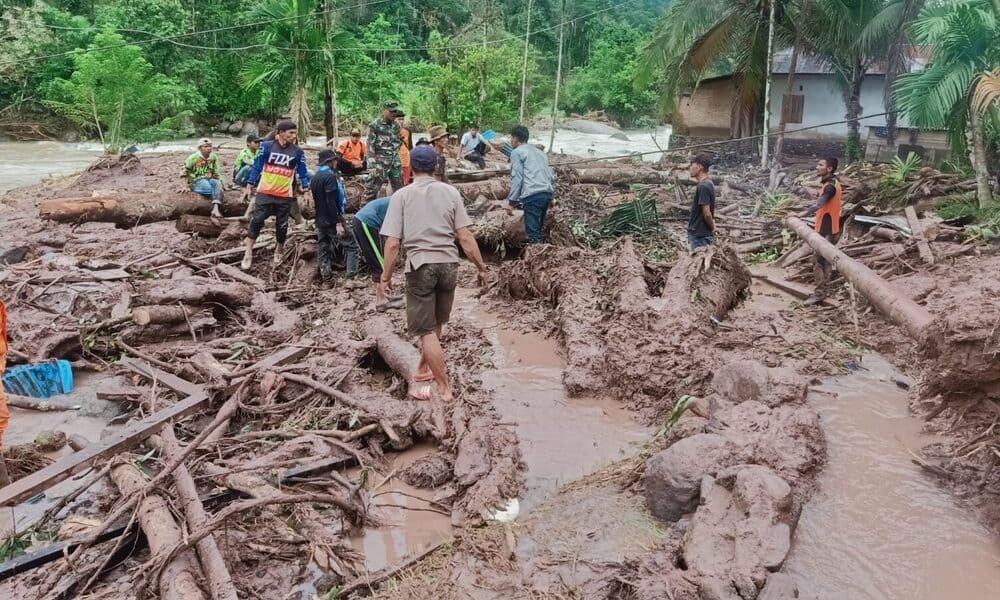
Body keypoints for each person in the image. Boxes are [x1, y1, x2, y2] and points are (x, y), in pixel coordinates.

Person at [379, 146, 489, 401]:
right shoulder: (451, 192)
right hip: (449, 265)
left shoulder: (401, 196)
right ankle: (423, 367)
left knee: (425, 330)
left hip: (421, 266)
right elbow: (465, 236)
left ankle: (444, 388)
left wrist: (385, 277)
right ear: (436, 167)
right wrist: (481, 268)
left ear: (411, 169)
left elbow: (393, 242)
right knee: (436, 323)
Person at [241, 120, 310, 270]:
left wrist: (305, 190)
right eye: (291, 133)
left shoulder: (297, 152)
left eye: (294, 132)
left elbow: (303, 172)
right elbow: (257, 166)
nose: (294, 135)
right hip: (265, 191)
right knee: (257, 220)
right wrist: (249, 185)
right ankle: (248, 252)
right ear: (280, 133)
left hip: (284, 194)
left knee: (282, 225)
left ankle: (279, 250)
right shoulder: (266, 146)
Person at [801, 157, 843, 304]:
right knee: (825, 260)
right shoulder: (830, 183)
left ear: (829, 169)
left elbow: (820, 203)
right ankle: (824, 290)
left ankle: (819, 293)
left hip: (827, 230)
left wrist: (801, 215)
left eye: (821, 165)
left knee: (818, 260)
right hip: (828, 228)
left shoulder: (830, 186)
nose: (817, 167)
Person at [353, 196, 404, 311]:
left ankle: (386, 295)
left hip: (370, 222)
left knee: (382, 259)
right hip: (366, 221)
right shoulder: (405, 202)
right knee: (377, 261)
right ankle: (381, 301)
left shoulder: (403, 199)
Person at [505, 125, 554, 244]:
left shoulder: (517, 152)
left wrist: (512, 202)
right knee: (538, 231)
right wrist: (552, 197)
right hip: (546, 194)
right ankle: (542, 257)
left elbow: (517, 178)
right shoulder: (540, 153)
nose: (510, 140)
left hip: (532, 195)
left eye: (511, 138)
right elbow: (549, 174)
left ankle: (535, 259)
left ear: (516, 138)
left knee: (533, 235)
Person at [311, 149, 353, 285]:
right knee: (352, 245)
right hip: (332, 218)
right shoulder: (329, 177)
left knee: (324, 246)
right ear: (330, 162)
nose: (336, 163)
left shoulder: (316, 177)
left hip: (320, 218)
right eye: (335, 160)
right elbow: (331, 201)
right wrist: (338, 223)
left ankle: (326, 277)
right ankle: (352, 278)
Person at [365, 102, 404, 200]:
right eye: (391, 111)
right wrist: (372, 165)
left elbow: (398, 141)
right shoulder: (374, 125)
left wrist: (395, 156)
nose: (393, 114)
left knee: (400, 191)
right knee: (371, 191)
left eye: (395, 111)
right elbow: (370, 145)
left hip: (395, 163)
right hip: (380, 164)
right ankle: (365, 214)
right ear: (384, 111)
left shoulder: (396, 125)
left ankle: (399, 213)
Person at [183, 138, 224, 217]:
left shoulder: (213, 157)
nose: (208, 148)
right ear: (199, 148)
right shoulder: (192, 158)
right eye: (205, 146)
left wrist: (221, 183)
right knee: (212, 189)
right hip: (196, 181)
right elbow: (184, 171)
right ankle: (216, 204)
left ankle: (215, 209)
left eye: (210, 146)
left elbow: (217, 171)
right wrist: (185, 186)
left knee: (218, 184)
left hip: (210, 179)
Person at [687, 153, 717, 251]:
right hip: (702, 233)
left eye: (692, 165)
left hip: (699, 234)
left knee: (698, 261)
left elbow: (707, 213)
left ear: (700, 167)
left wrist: (713, 228)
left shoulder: (703, 186)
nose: (690, 168)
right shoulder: (709, 183)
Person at [395, 109, 413, 185]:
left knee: (405, 182)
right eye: (399, 119)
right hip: (395, 162)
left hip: (406, 160)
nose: (401, 121)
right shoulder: (390, 131)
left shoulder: (407, 131)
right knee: (393, 183)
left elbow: (410, 147)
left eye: (402, 119)